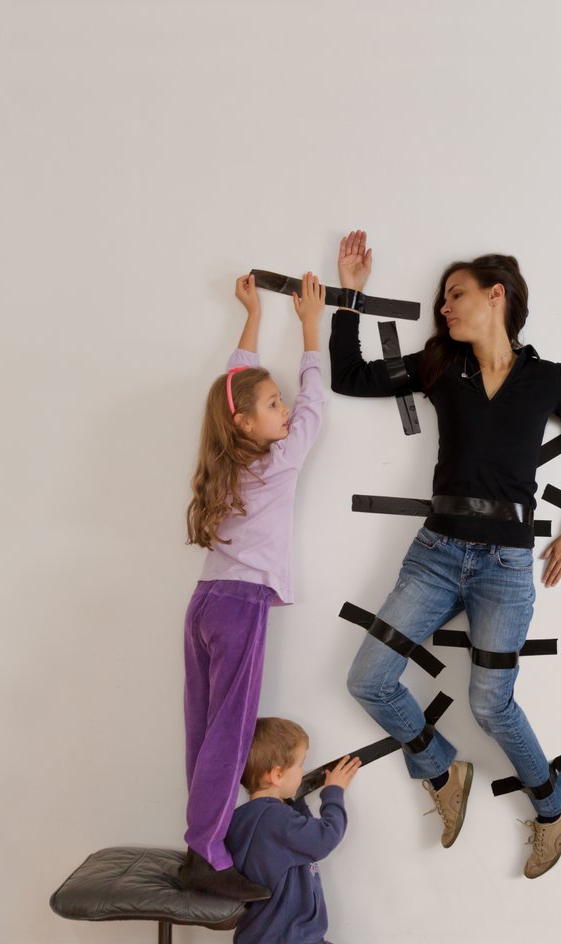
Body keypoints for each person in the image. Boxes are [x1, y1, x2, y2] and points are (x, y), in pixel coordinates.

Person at [331, 231, 561, 878]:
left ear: (496, 296)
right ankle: (439, 767)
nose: (444, 309)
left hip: (507, 567)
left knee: (491, 704)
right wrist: (350, 297)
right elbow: (349, 376)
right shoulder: (439, 367)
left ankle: (554, 807)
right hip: (434, 555)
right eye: (440, 300)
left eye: (454, 295)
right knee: (367, 678)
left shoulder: (547, 379)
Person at [180, 272, 328, 900]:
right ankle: (206, 853)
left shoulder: (227, 460)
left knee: (206, 729)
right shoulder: (276, 460)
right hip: (240, 606)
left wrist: (250, 321)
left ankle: (205, 842)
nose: (286, 408)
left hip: (205, 602)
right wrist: (311, 329)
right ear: (245, 423)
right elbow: (315, 411)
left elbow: (236, 389)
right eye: (273, 406)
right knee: (231, 734)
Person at [194, 718, 365, 944]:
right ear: (276, 775)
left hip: (297, 941)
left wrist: (295, 801)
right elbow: (324, 837)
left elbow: (301, 836)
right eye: (301, 765)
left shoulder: (254, 816)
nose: (303, 772)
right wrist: (333, 793)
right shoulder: (275, 822)